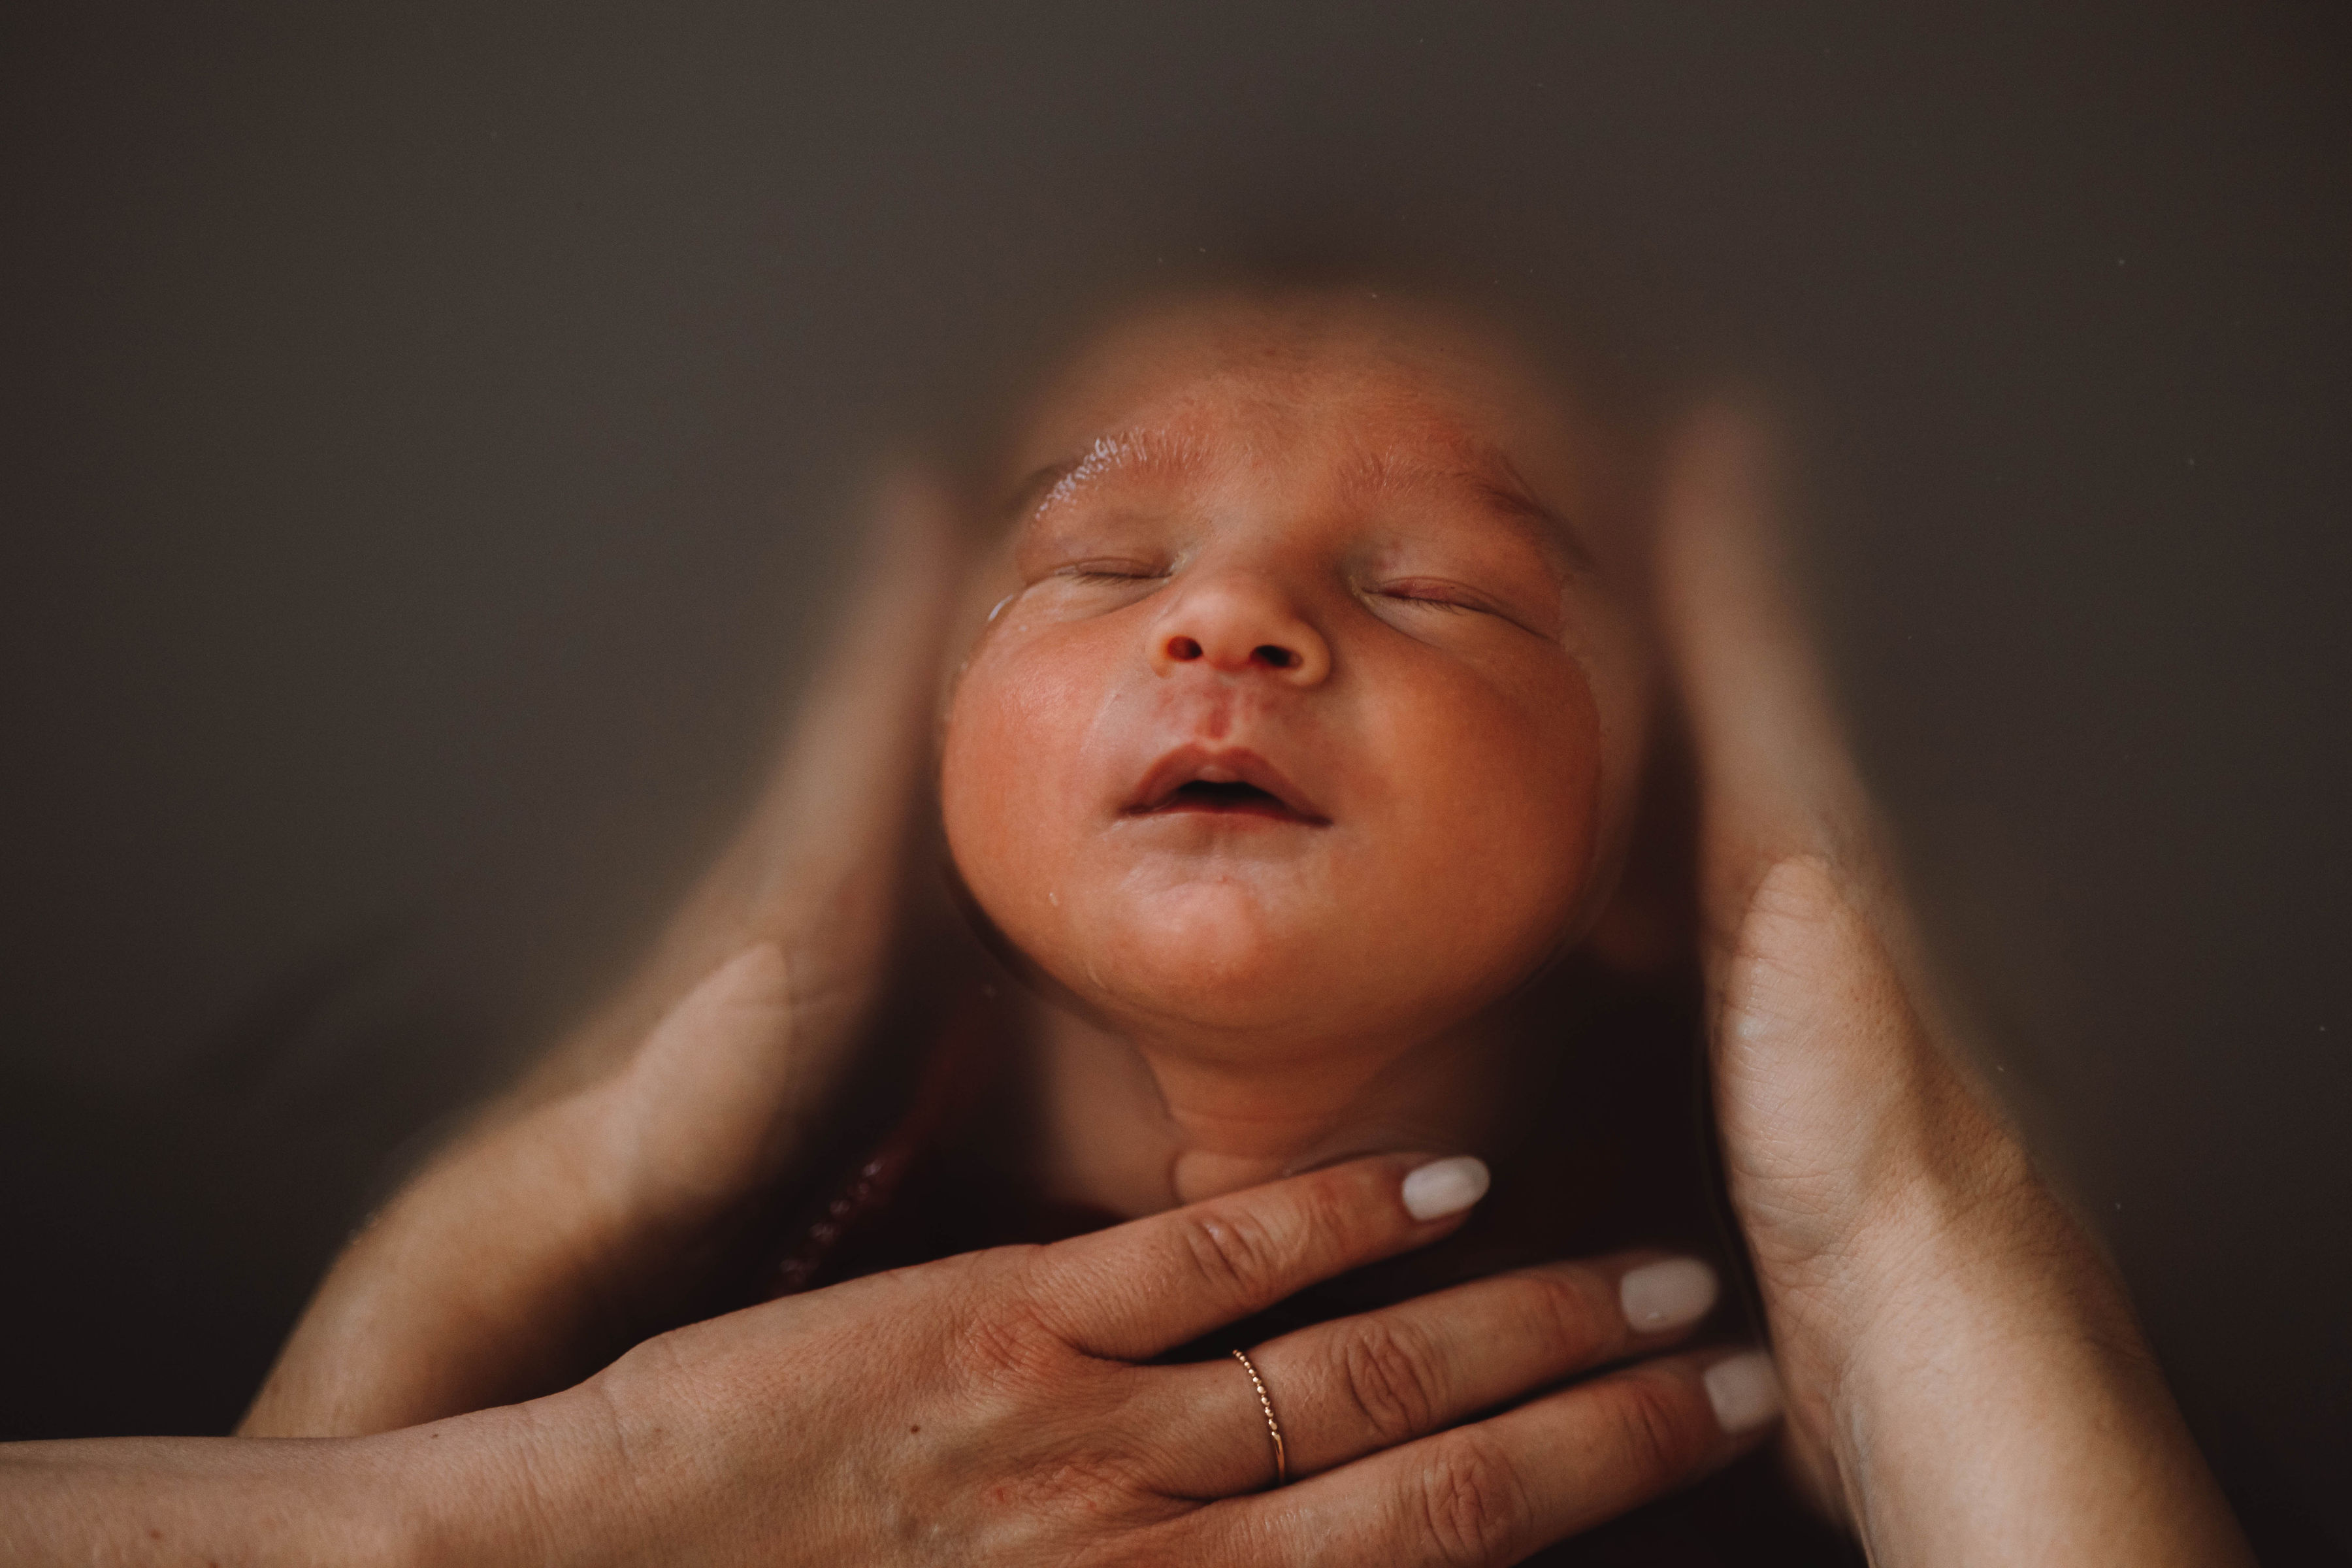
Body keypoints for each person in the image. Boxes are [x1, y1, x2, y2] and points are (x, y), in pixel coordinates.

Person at [1, 284, 2253, 1566]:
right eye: (1096, 565)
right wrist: (544, 1210)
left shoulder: (1748, 1438)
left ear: (1659, 859)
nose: (1236, 618)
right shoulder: (586, 1321)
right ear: (913, 742)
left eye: (1439, 584)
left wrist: (1918, 1240)